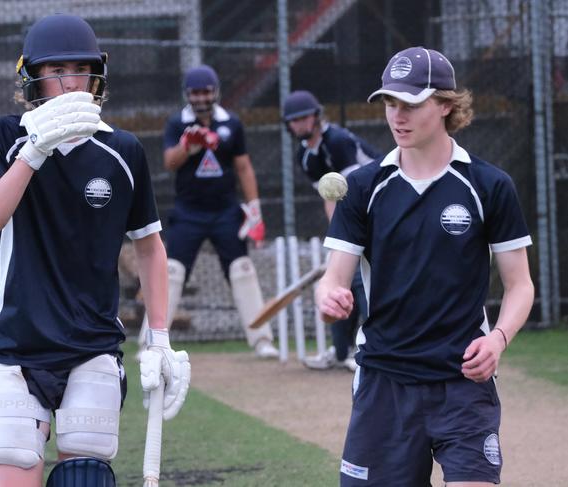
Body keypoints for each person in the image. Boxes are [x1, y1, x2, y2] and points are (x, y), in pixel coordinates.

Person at [0, 14, 190, 487]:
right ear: (32, 77)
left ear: (96, 75)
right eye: (55, 69)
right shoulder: (4, 137)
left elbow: (149, 247)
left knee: (85, 475)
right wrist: (34, 152)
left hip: (92, 347)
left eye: (79, 68)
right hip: (14, 346)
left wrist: (160, 338)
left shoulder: (122, 151)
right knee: (10, 471)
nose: (69, 82)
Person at [316, 46, 534, 486]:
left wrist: (497, 340)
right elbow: (332, 280)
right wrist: (330, 297)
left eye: (412, 104)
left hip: (463, 381)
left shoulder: (488, 185)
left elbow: (520, 285)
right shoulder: (362, 188)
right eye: (391, 103)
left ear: (446, 105)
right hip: (384, 383)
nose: (398, 115)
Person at [137, 64, 279, 359]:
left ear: (216, 92)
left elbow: (243, 166)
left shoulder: (232, 123)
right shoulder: (178, 123)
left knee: (242, 270)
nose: (201, 98)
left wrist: (254, 211)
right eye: (196, 92)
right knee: (171, 272)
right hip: (188, 212)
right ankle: (151, 344)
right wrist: (188, 146)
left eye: (206, 92)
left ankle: (262, 340)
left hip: (226, 211)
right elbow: (168, 162)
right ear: (188, 94)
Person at [283, 90, 381, 371]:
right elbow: (331, 199)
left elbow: (355, 191)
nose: (300, 125)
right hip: (353, 219)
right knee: (337, 285)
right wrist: (340, 239)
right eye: (294, 120)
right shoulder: (305, 156)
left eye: (304, 118)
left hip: (380, 207)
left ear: (316, 116)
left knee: (362, 283)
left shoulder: (337, 142)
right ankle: (341, 354)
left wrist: (354, 237)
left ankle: (373, 349)